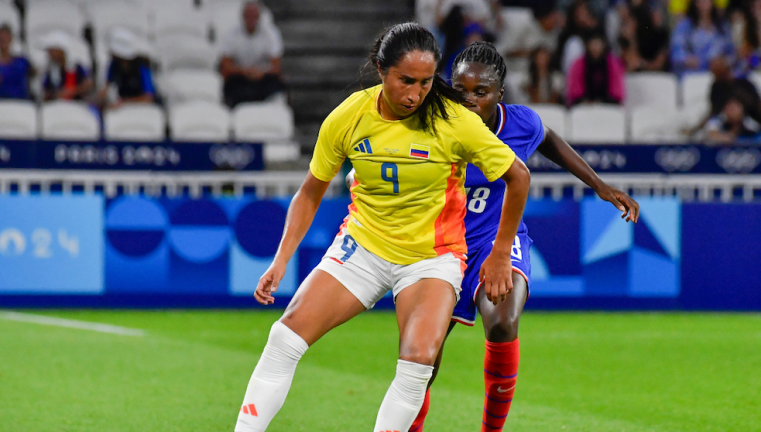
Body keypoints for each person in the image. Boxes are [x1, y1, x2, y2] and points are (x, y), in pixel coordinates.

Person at [233, 23, 531, 432]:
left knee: (418, 362)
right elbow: (310, 192)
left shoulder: (453, 120)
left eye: (426, 82)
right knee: (283, 339)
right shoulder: (349, 116)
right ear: (380, 69)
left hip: (431, 258)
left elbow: (519, 176)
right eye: (406, 80)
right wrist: (280, 260)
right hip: (363, 247)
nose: (415, 94)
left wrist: (499, 254)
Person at [405, 41, 639, 432]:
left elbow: (550, 141)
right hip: (441, 245)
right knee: (423, 356)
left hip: (496, 240)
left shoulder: (519, 123)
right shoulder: (431, 125)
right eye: (461, 90)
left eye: (481, 92)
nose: (469, 99)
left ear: (500, 94)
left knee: (502, 320)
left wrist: (599, 185)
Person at [219, 0, 285, 108]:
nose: (251, 19)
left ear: (259, 17)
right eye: (248, 16)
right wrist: (244, 71)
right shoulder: (231, 35)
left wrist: (260, 72)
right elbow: (225, 66)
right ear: (243, 16)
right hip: (240, 77)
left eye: (254, 16)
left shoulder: (271, 34)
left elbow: (276, 66)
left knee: (276, 82)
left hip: (262, 78)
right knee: (230, 83)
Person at [670, 0, 735, 76]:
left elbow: (732, 53)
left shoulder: (722, 27)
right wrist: (688, 59)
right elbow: (676, 52)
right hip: (693, 74)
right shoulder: (685, 26)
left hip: (718, 74)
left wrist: (723, 62)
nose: (704, 4)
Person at [97, 28, 156, 109]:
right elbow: (106, 87)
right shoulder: (114, 65)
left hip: (141, 108)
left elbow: (148, 98)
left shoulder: (142, 67)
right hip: (122, 106)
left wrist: (125, 102)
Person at [566, 31, 625, 106]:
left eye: (598, 44)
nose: (595, 48)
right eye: (593, 44)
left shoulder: (613, 64)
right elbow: (574, 91)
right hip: (584, 106)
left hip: (608, 105)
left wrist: (602, 101)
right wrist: (586, 101)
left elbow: (617, 91)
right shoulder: (579, 64)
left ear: (604, 45)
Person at [40, 31, 93, 101]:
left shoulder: (75, 66)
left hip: (77, 103)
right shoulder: (52, 69)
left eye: (51, 51)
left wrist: (73, 91)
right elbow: (46, 90)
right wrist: (55, 94)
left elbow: (88, 84)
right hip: (58, 104)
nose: (49, 54)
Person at [0, 23, 33, 100]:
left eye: (6, 38)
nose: (3, 41)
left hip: (21, 102)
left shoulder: (21, 62)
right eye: (1, 39)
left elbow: (35, 75)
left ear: (11, 39)